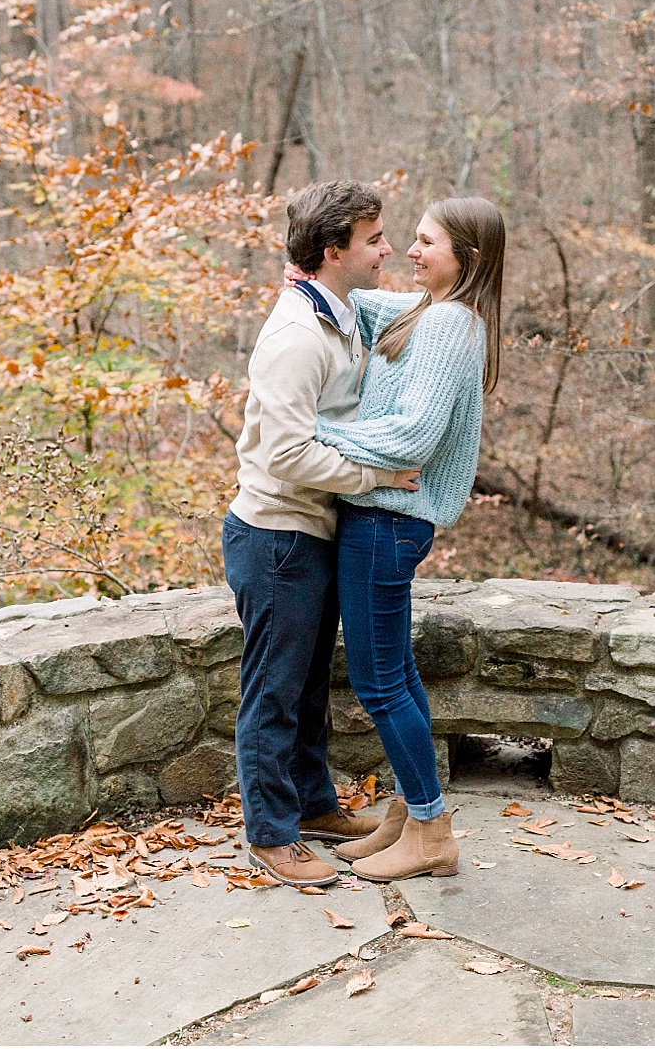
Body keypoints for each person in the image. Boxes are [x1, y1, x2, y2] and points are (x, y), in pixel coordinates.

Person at [222, 180, 423, 888]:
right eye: (374, 239)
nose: (388, 249)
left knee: (308, 688)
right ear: (334, 250)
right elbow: (283, 453)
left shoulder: (337, 310)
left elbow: (410, 307)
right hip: (275, 536)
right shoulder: (297, 335)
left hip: (310, 530)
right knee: (274, 691)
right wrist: (374, 476)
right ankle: (271, 833)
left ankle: (312, 806)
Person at [309, 195, 505, 882]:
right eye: (408, 239)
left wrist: (313, 431)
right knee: (397, 672)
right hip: (389, 520)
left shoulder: (450, 323)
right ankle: (409, 812)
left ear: (467, 259)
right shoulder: (431, 312)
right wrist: (310, 276)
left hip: (387, 520)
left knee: (380, 681)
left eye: (426, 243)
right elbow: (364, 307)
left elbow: (413, 435)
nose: (409, 252)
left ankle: (431, 829)